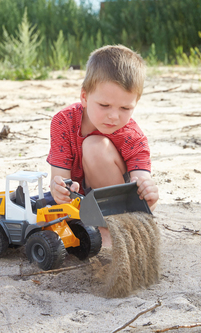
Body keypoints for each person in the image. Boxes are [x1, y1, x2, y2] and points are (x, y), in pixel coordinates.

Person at [46, 44, 159, 246]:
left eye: (125, 108)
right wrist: (59, 189)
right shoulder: (63, 122)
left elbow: (141, 184)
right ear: (84, 97)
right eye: (104, 105)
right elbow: (59, 180)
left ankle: (113, 226)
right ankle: (92, 227)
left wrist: (148, 195)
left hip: (116, 200)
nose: (114, 116)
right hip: (79, 202)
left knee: (95, 147)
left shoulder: (132, 136)